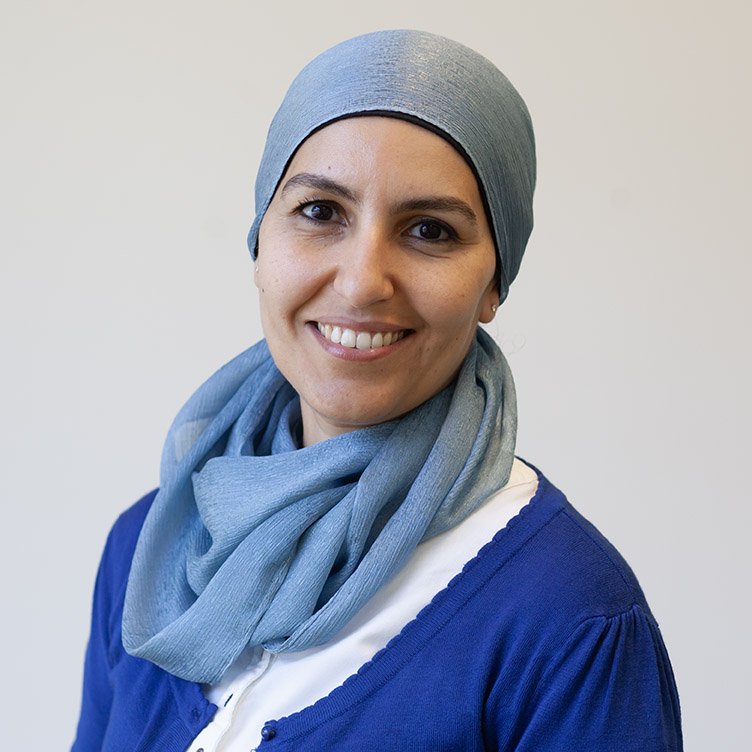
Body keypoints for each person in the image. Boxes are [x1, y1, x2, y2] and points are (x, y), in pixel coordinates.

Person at [72, 30, 682, 751]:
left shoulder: (567, 621)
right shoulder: (147, 552)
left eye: (429, 229)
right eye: (320, 212)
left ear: (494, 283)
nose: (363, 282)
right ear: (260, 242)